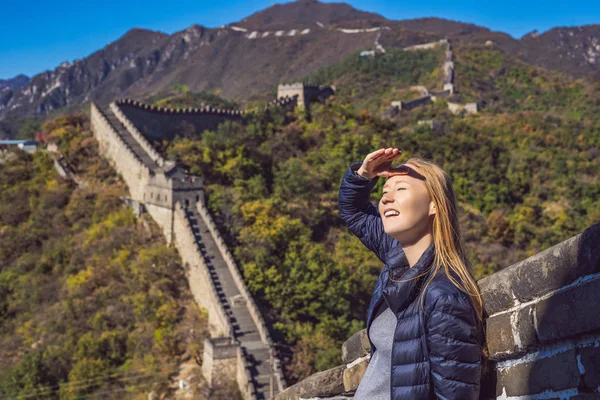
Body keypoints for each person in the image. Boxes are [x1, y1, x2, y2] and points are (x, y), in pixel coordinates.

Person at [338, 147, 488, 400]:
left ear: (434, 205)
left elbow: (454, 395)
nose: (385, 199)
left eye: (401, 190)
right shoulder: (397, 260)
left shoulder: (443, 296)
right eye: (384, 192)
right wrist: (364, 175)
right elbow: (354, 211)